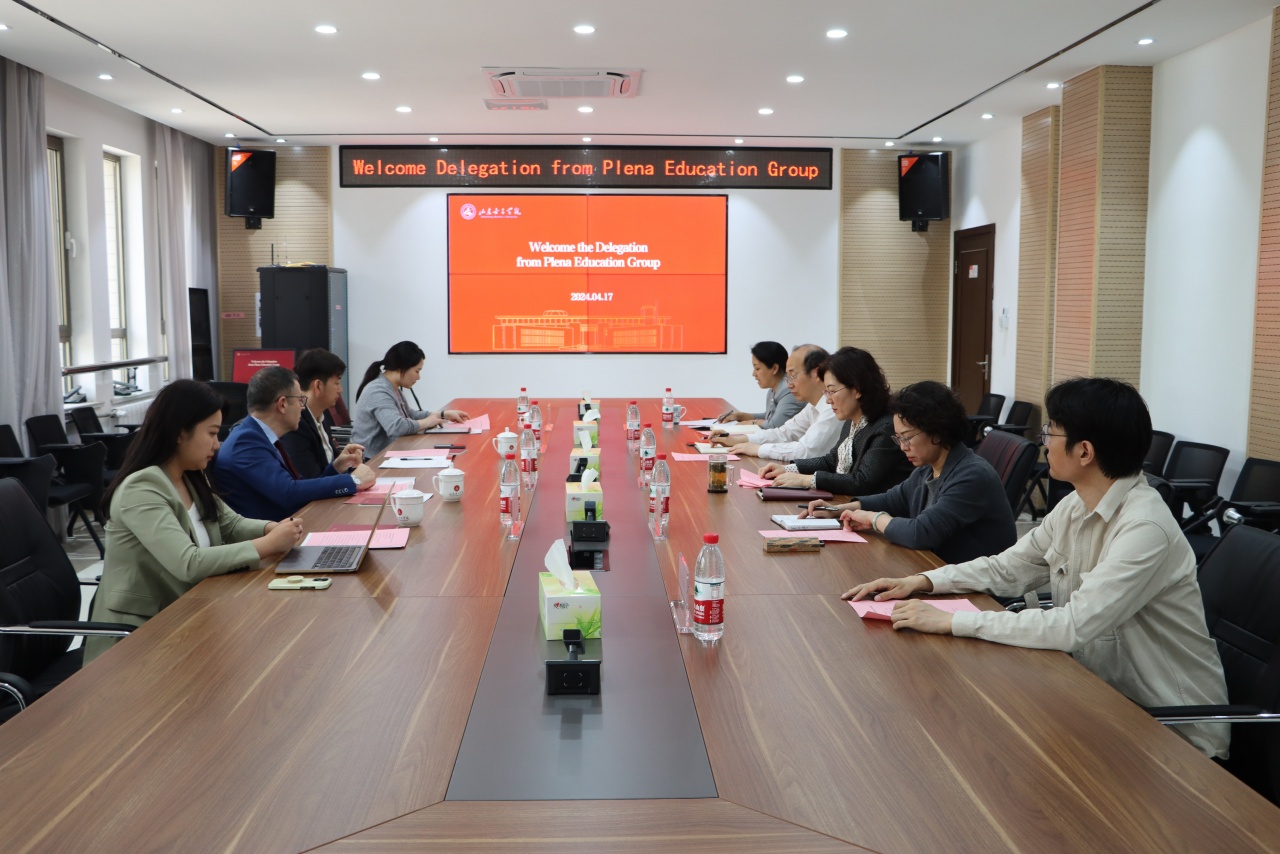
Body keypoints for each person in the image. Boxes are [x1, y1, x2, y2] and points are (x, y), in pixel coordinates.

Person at [842, 378, 1229, 759]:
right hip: (1097, 696)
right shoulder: (1075, 506)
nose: (1044, 441)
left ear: (1084, 451)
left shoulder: (1144, 528)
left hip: (1171, 730)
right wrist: (923, 581)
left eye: (1051, 432)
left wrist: (950, 621)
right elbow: (1007, 568)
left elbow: (1072, 626)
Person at [85, 381, 305, 663]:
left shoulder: (191, 474)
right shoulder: (142, 489)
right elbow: (188, 563)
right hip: (138, 639)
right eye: (211, 433)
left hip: (187, 615)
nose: (217, 444)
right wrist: (268, 544)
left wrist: (270, 529)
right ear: (180, 433)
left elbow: (230, 525)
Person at [809, 380, 1015, 563]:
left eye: (907, 437)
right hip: (939, 571)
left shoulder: (972, 475)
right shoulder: (928, 468)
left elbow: (921, 533)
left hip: (976, 588)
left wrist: (874, 519)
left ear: (938, 431)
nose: (903, 447)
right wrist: (838, 510)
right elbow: (893, 499)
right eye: (898, 438)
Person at [214, 366, 375, 520]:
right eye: (300, 400)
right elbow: (288, 493)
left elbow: (299, 486)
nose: (302, 407)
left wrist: (337, 467)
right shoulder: (245, 442)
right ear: (282, 404)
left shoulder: (260, 435)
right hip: (272, 534)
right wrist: (353, 480)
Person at [758, 347, 912, 496]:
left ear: (857, 389)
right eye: (826, 392)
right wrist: (788, 469)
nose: (828, 400)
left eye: (832, 391)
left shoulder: (886, 426)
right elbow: (832, 460)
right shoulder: (852, 421)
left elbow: (862, 481)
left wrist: (807, 480)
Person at [709, 344, 841, 462]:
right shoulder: (812, 406)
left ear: (816, 373)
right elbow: (785, 433)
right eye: (788, 377)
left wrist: (758, 449)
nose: (789, 384)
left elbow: (806, 452)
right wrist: (738, 440)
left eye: (793, 376)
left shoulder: (833, 408)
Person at [350, 341, 470, 459]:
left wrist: (442, 415)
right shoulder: (378, 391)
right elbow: (396, 427)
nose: (418, 377)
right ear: (401, 368)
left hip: (388, 454)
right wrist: (427, 422)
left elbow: (410, 415)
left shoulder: (391, 388)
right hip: (370, 460)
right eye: (417, 371)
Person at [279, 348, 347, 479]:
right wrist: (353, 480)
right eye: (337, 383)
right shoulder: (295, 423)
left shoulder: (320, 414)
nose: (340, 389)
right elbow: (310, 480)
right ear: (318, 386)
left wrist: (346, 460)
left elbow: (330, 462)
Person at [716, 341, 802, 429]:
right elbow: (768, 416)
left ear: (774, 368)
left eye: (757, 368)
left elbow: (774, 425)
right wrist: (740, 416)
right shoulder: (773, 389)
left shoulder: (789, 390)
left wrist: (752, 422)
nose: (753, 374)